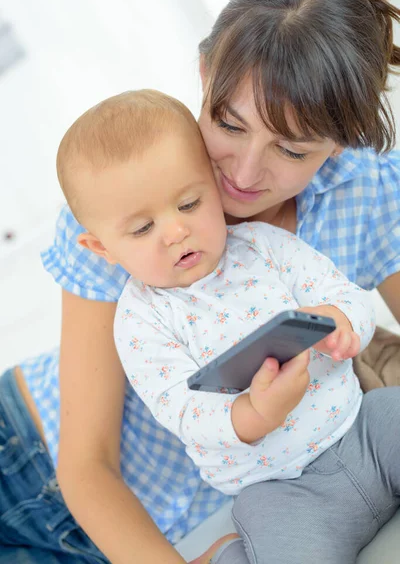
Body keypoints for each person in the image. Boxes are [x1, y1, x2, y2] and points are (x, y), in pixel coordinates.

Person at [0, 0, 399, 562]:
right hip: (32, 466)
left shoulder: (370, 195)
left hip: (230, 501)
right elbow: (87, 468)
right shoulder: (122, 209)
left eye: (290, 149)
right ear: (206, 75)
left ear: (343, 139)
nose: (241, 175)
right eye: (228, 124)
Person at [56, 87, 380, 564]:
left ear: (213, 181)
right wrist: (253, 415)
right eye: (143, 229)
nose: (175, 231)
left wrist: (341, 321)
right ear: (102, 249)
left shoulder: (262, 245)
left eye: (189, 203)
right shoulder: (139, 320)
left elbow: (345, 294)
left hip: (360, 428)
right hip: (272, 489)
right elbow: (181, 409)